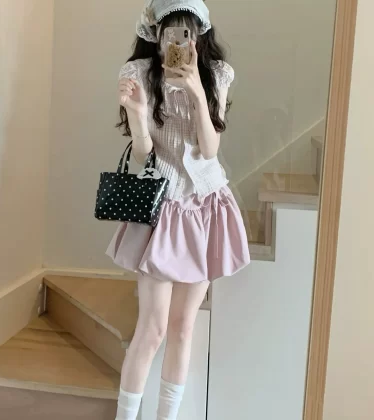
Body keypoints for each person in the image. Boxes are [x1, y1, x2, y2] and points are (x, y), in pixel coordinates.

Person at [106, 1, 250, 418]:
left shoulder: (216, 75)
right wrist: (137, 115)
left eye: (186, 33)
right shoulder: (139, 74)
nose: (178, 43)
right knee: (151, 329)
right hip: (162, 209)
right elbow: (143, 154)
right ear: (156, 35)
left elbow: (209, 149)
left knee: (183, 328)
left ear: (198, 36)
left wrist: (198, 93)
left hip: (205, 208)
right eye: (170, 33)